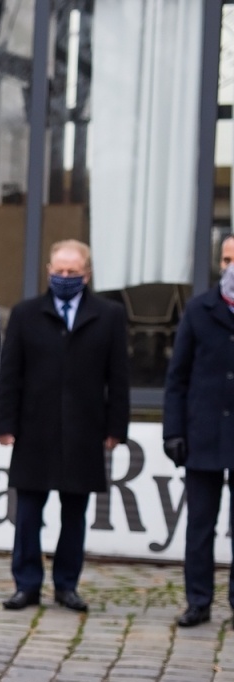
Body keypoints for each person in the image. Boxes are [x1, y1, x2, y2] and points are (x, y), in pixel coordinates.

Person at [0, 239, 130, 613]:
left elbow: (118, 377)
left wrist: (117, 427)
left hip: (85, 431)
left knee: (75, 515)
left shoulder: (110, 315)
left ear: (86, 275)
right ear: (49, 272)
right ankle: (27, 585)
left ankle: (67, 586)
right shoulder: (25, 314)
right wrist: (4, 423)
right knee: (28, 515)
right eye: (59, 272)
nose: (65, 277)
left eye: (73, 272)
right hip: (33, 430)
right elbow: (10, 375)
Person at [163, 235, 234, 628]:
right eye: (226, 259)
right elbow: (177, 378)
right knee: (200, 525)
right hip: (203, 434)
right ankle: (199, 601)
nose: (230, 267)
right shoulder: (199, 309)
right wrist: (173, 431)